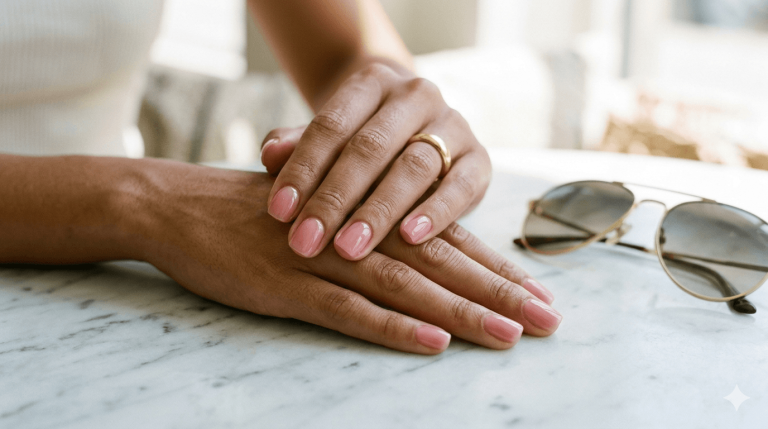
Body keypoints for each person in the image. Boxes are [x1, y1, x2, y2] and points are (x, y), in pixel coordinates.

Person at [0, 0, 562, 354]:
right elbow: (146, 199)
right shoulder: (152, 201)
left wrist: (387, 123)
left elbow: (347, 51)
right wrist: (145, 201)